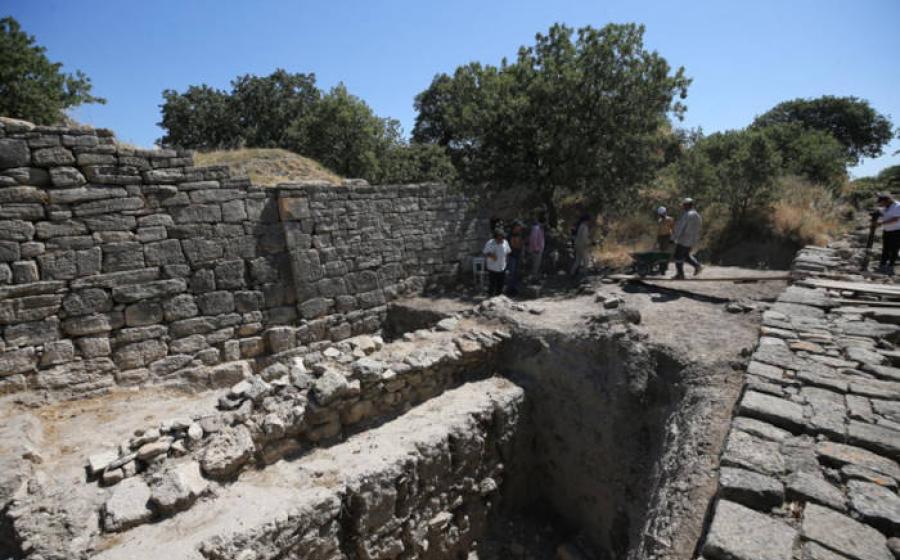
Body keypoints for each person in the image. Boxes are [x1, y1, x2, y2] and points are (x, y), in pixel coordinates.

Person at [672, 198, 703, 279]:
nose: (683, 207)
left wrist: (673, 237)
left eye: (684, 205)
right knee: (685, 255)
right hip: (692, 240)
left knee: (677, 256)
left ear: (687, 205)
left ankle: (680, 274)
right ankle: (697, 266)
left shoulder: (687, 215)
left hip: (684, 239)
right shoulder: (697, 215)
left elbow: (680, 228)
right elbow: (699, 228)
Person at [876, 193, 900, 275]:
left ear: (888, 200)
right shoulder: (887, 207)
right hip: (887, 230)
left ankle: (891, 267)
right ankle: (882, 266)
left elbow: (895, 219)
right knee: (885, 248)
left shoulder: (897, 206)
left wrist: (882, 223)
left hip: (896, 231)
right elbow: (883, 213)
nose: (882, 204)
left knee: (894, 249)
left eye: (883, 202)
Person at [483, 228, 511, 296]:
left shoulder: (505, 242)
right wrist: (491, 255)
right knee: (492, 285)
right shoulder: (490, 243)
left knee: (500, 285)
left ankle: (498, 300)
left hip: (502, 267)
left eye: (501, 237)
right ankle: (490, 299)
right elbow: (485, 253)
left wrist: (507, 264)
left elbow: (508, 252)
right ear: (495, 237)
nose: (500, 239)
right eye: (499, 237)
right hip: (492, 268)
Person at [570, 210, 592, 276]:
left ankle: (572, 273)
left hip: (577, 244)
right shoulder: (585, 227)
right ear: (586, 220)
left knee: (578, 260)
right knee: (586, 260)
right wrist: (589, 243)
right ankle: (585, 274)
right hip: (582, 246)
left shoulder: (579, 226)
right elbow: (584, 238)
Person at [507, 221, 525, 295]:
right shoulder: (510, 235)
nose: (520, 228)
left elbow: (521, 244)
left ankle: (515, 289)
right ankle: (510, 289)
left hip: (518, 255)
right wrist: (519, 244)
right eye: (518, 227)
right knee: (512, 273)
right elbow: (513, 245)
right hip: (512, 256)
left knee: (516, 273)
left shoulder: (519, 234)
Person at [656, 206, 675, 274]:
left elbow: (673, 228)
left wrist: (673, 238)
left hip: (667, 237)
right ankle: (661, 268)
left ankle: (664, 268)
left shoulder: (670, 219)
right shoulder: (659, 221)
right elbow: (658, 231)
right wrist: (657, 240)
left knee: (665, 253)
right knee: (660, 253)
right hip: (661, 237)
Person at [528, 215, 546, 279]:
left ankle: (535, 277)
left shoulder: (540, 228)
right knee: (535, 265)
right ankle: (533, 278)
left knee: (537, 265)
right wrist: (536, 249)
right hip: (536, 250)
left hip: (539, 249)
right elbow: (533, 239)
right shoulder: (536, 228)